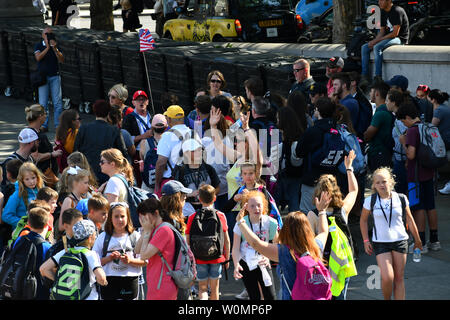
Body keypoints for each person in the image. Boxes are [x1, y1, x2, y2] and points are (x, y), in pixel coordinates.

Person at [235, 191, 330, 300]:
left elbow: (256, 244)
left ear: (286, 230)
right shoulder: (316, 246)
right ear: (308, 229)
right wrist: (322, 211)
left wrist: (241, 222)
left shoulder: (284, 252)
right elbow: (323, 232)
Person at [360, 167, 422, 300]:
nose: (381, 185)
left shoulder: (401, 198)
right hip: (380, 242)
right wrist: (366, 240)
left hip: (400, 240)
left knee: (399, 278)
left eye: (384, 181)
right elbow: (363, 220)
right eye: (378, 183)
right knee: (388, 277)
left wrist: (418, 240)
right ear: (374, 185)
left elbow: (410, 220)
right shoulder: (370, 201)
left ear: (391, 182)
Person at [307, 151, 358, 300]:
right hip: (342, 264)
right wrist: (349, 168)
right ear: (335, 191)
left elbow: (309, 241)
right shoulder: (342, 210)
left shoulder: (313, 214)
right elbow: (354, 191)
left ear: (317, 193)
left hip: (323, 265)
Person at [397, 103, 440, 253]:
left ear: (408, 118)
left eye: (403, 121)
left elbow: (411, 154)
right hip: (429, 173)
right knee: (431, 206)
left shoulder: (412, 131)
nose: (403, 124)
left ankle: (420, 243)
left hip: (415, 176)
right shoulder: (426, 126)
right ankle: (434, 240)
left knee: (418, 207)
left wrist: (403, 143)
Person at [294, 97, 341, 215]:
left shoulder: (313, 131)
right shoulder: (337, 129)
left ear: (318, 111)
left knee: (307, 213)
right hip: (330, 180)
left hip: (312, 179)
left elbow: (299, 152)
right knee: (327, 213)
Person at [40, 219, 108, 300]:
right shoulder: (91, 254)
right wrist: (104, 282)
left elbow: (43, 269)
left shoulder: (65, 252)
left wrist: (61, 282)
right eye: (94, 235)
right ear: (90, 238)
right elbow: (101, 278)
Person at [185, 184, 230, 300]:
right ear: (214, 198)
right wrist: (227, 257)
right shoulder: (220, 215)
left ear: (199, 199)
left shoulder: (192, 216)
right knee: (215, 289)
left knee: (202, 288)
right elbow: (226, 239)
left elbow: (188, 239)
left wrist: (190, 257)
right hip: (216, 257)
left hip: (199, 258)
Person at [93, 202, 145, 300]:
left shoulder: (135, 237)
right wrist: (109, 258)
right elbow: (94, 262)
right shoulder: (102, 237)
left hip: (130, 281)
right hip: (109, 281)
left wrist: (130, 261)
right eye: (116, 216)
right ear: (110, 218)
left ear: (128, 217)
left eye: (122, 216)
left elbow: (144, 261)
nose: (119, 220)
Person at [232, 190, 278, 300]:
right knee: (254, 296)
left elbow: (277, 245)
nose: (256, 209)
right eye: (252, 206)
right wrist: (236, 264)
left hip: (263, 261)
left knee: (270, 296)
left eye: (259, 205)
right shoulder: (241, 223)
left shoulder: (270, 222)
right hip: (246, 262)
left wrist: (269, 259)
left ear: (264, 205)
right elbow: (235, 248)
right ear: (246, 207)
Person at [74, 100, 128, 185]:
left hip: (87, 173)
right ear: (108, 113)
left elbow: (76, 150)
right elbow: (122, 152)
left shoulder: (84, 128)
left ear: (95, 111)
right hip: (107, 173)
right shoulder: (114, 130)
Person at [135, 198, 178, 300]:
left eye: (144, 215)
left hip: (163, 285)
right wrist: (146, 231)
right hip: (156, 283)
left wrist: (147, 231)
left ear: (156, 213)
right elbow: (137, 250)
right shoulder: (155, 229)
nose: (142, 219)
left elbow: (144, 256)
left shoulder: (164, 230)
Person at [360, 0, 409, 83]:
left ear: (389, 1)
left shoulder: (397, 11)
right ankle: (364, 77)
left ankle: (378, 77)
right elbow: (382, 32)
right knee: (364, 47)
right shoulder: (383, 12)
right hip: (387, 37)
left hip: (400, 38)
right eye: (378, 0)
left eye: (382, 0)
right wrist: (374, 41)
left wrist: (377, 41)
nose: (379, 2)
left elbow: (395, 33)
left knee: (377, 47)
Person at [173, 138, 221, 216]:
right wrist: (189, 194)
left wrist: (208, 194)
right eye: (194, 151)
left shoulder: (208, 168)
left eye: (199, 150)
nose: (198, 152)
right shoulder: (180, 170)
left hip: (208, 206)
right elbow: (176, 193)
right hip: (188, 208)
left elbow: (217, 187)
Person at [12, 207, 52, 300]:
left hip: (19, 285)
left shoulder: (20, 239)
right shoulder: (46, 246)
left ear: (29, 223)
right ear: (47, 225)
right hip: (38, 290)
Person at [154, 105, 191, 197]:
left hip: (172, 184)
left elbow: (161, 163)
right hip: (191, 180)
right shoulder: (193, 133)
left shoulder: (167, 136)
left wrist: (157, 184)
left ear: (169, 120)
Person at [34, 27, 64, 132]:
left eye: (50, 34)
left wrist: (54, 48)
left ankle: (58, 125)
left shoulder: (56, 45)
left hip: (55, 76)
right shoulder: (38, 45)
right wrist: (47, 47)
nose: (48, 36)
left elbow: (62, 59)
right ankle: (44, 125)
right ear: (42, 35)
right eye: (46, 34)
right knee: (43, 103)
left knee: (58, 103)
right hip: (43, 77)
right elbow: (38, 58)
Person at [274, 106, 304, 212]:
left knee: (292, 201)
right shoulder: (298, 135)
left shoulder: (290, 139)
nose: (277, 121)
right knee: (294, 202)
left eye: (278, 119)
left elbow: (295, 161)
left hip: (289, 175)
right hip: (296, 175)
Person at [25, 104, 61, 189]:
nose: (46, 116)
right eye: (45, 114)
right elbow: (35, 156)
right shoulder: (32, 134)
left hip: (46, 173)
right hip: (42, 175)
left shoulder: (37, 131)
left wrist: (51, 148)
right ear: (40, 116)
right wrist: (52, 154)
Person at [2, 162, 44, 229]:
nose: (31, 182)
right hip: (23, 234)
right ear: (22, 180)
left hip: (40, 231)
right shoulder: (17, 194)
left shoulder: (41, 190)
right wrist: (24, 223)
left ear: (38, 177)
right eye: (27, 179)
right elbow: (6, 216)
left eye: (33, 178)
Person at [364, 81, 394, 171]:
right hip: (384, 152)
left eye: (371, 91)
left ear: (376, 93)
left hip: (379, 153)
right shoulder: (384, 110)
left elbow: (368, 135)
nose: (369, 93)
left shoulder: (381, 113)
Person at [386, 88, 408, 194]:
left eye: (387, 100)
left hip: (403, 160)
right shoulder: (397, 117)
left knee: (400, 191)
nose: (385, 103)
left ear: (393, 102)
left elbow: (406, 140)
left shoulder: (401, 119)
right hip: (400, 158)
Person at [57, 166, 90, 232]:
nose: (88, 186)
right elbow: (61, 226)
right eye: (85, 183)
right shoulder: (69, 201)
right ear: (76, 183)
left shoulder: (83, 198)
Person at [55, 109, 81, 173]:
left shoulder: (60, 131)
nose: (80, 121)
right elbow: (71, 150)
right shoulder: (75, 132)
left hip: (63, 165)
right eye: (78, 119)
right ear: (73, 121)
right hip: (73, 165)